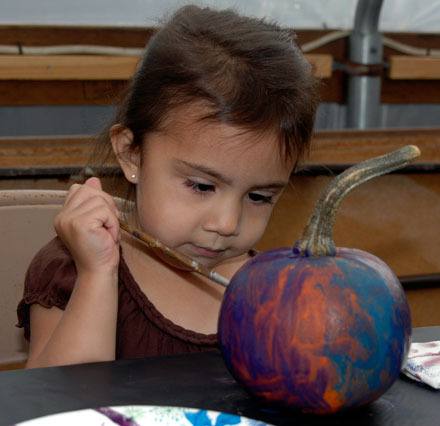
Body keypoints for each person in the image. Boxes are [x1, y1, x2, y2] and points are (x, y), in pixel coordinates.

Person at [17, 4, 319, 368]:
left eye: (259, 196)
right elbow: (60, 409)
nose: (227, 223)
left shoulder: (272, 290)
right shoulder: (69, 271)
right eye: (202, 186)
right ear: (131, 155)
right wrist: (98, 276)